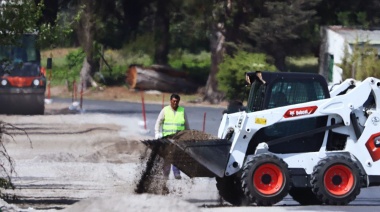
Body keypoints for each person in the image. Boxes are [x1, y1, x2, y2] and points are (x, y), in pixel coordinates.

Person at [154, 93, 190, 180]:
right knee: (167, 157)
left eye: (177, 101)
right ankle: (166, 175)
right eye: (174, 101)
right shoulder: (165, 110)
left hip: (179, 137)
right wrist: (157, 133)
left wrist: (188, 136)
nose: (175, 103)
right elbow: (158, 122)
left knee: (177, 156)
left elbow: (186, 125)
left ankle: (177, 174)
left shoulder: (182, 110)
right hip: (167, 138)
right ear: (170, 101)